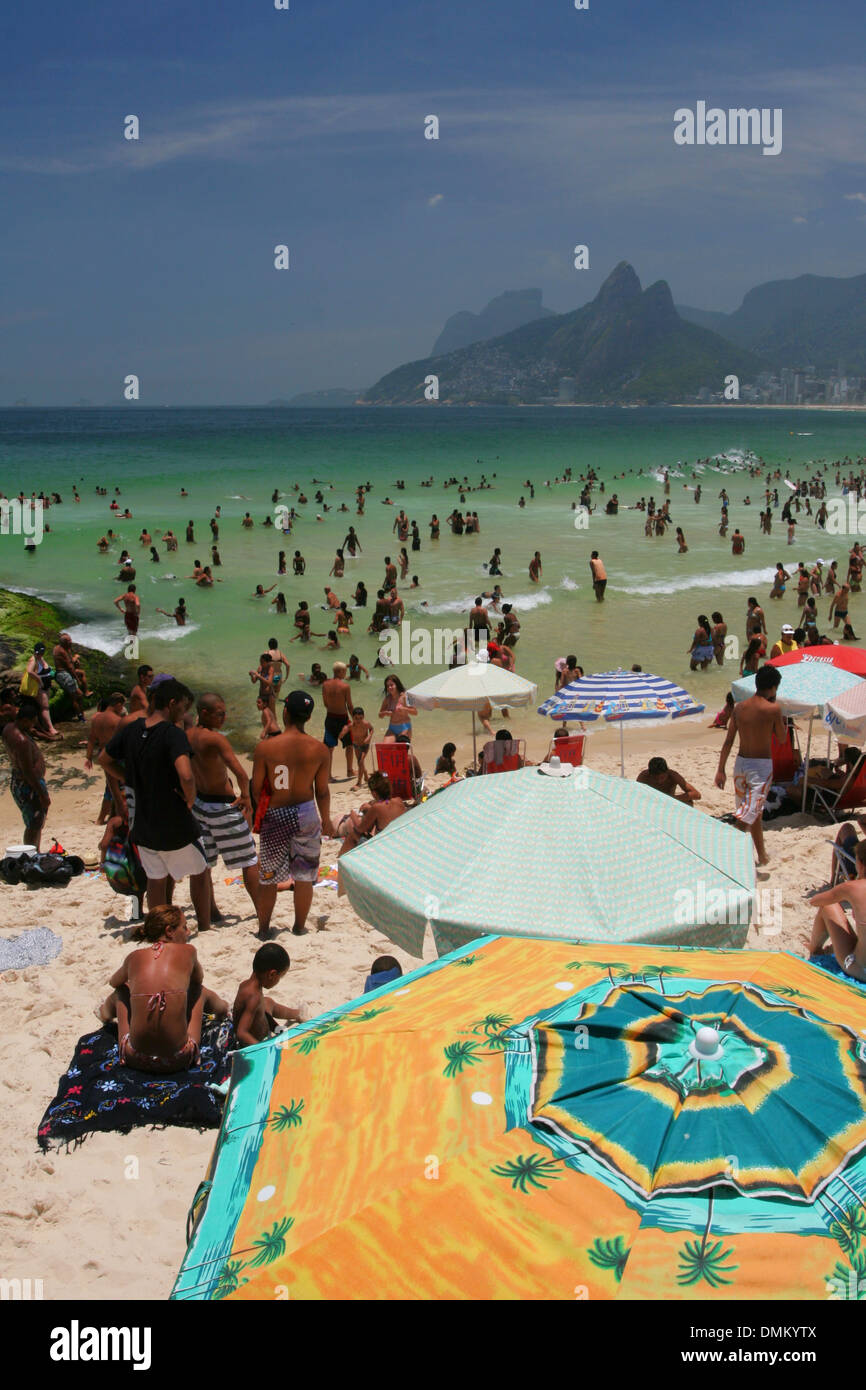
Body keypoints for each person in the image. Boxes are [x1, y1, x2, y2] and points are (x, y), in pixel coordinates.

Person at [101, 678, 213, 929]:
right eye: (183, 708)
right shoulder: (173, 734)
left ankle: (160, 928)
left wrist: (129, 779)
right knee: (201, 871)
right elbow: (185, 774)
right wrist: (191, 797)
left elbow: (104, 759)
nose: (184, 714)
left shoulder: (131, 729)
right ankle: (205, 926)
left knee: (156, 878)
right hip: (174, 821)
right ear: (172, 703)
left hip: (143, 821)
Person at [98, 905, 227, 1074]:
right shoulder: (188, 951)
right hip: (179, 1058)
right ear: (169, 931)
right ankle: (223, 1010)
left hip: (135, 1058)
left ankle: (104, 1014)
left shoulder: (134, 957)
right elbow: (197, 981)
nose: (187, 932)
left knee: (121, 992)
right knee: (199, 992)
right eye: (184, 927)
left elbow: (114, 982)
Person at [251, 689, 335, 937]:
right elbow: (321, 791)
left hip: (276, 813)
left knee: (268, 876)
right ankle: (299, 926)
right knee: (304, 875)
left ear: (285, 712)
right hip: (306, 811)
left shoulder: (266, 748)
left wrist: (259, 813)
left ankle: (264, 928)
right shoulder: (319, 749)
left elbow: (256, 789)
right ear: (308, 718)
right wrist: (327, 819)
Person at [188, 693, 259, 918]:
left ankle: (210, 913)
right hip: (223, 807)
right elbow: (240, 773)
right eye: (220, 713)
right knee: (249, 860)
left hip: (200, 805)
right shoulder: (216, 739)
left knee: (204, 865)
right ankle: (262, 911)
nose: (224, 717)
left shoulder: (186, 736)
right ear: (204, 713)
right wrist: (246, 797)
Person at [715, 663, 786, 866]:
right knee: (748, 815)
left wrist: (720, 769)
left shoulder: (739, 708)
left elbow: (728, 741)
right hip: (761, 767)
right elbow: (781, 738)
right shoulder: (773, 709)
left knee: (753, 812)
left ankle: (762, 856)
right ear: (773, 687)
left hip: (740, 765)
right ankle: (727, 856)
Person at [809, 839, 866, 981]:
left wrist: (845, 892)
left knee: (828, 906)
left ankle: (814, 950)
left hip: (860, 969)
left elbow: (815, 901)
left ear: (860, 864)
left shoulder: (854, 887)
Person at [232, 943, 304, 1047]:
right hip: (258, 1041)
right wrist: (263, 1049)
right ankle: (298, 1014)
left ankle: (297, 1014)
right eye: (280, 977)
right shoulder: (254, 997)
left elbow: (262, 1013)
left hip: (262, 1025)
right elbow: (242, 1033)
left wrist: (279, 1030)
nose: (278, 980)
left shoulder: (248, 985)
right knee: (265, 1003)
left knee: (267, 1002)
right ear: (272, 974)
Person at [2, 696, 50, 847]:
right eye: (32, 721)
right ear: (24, 720)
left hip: (20, 781)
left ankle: (35, 851)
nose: (33, 725)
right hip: (28, 784)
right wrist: (42, 794)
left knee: (35, 821)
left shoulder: (9, 728)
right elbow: (28, 771)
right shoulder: (21, 741)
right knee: (34, 822)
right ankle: (31, 854)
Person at [336, 771, 407, 855]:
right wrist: (370, 809)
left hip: (385, 846)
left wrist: (353, 815)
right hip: (400, 842)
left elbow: (360, 829)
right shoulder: (399, 801)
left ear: (374, 793)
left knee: (353, 834)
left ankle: (339, 860)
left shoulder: (376, 807)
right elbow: (386, 812)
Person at [85, 692, 127, 823]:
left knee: (110, 786)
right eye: (122, 706)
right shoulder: (117, 720)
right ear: (118, 704)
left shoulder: (96, 718)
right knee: (114, 788)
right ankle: (103, 818)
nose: (122, 709)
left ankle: (107, 816)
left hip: (102, 753)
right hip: (115, 756)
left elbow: (91, 739)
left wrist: (88, 757)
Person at [20, 642, 61, 738]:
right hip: (39, 687)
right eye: (39, 653)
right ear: (36, 652)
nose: (40, 654)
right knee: (45, 707)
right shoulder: (33, 659)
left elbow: (47, 668)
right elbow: (30, 671)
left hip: (46, 685)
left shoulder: (41, 658)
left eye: (42, 652)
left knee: (44, 707)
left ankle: (45, 725)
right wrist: (39, 680)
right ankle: (50, 728)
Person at [636, 756, 700, 806]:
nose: (659, 781)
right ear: (649, 773)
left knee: (689, 801)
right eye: (655, 778)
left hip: (670, 802)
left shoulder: (673, 775)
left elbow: (696, 795)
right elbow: (635, 793)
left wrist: (671, 798)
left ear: (667, 771)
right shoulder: (644, 776)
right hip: (652, 803)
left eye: (662, 777)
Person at [338, 707, 375, 788]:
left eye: (360, 718)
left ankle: (359, 783)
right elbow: (345, 729)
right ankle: (366, 777)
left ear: (363, 717)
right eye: (356, 718)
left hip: (365, 745)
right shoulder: (351, 726)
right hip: (356, 746)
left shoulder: (366, 724)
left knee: (360, 762)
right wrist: (342, 733)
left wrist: (369, 737)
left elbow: (372, 729)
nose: (358, 720)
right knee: (360, 763)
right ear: (352, 717)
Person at [52, 634, 86, 720]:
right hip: (64, 675)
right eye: (69, 641)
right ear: (64, 643)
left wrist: (74, 659)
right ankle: (81, 716)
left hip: (63, 672)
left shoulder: (60, 648)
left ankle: (81, 715)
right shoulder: (62, 651)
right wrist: (77, 680)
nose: (71, 642)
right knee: (77, 696)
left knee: (78, 695)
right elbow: (70, 667)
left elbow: (70, 662)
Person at [379, 674, 413, 741]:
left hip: (405, 727)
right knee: (385, 748)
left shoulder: (404, 697)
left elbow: (415, 712)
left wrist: (404, 709)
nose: (389, 687)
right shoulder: (387, 699)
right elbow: (380, 715)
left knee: (401, 749)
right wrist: (385, 713)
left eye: (391, 685)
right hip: (392, 728)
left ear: (397, 685)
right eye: (387, 686)